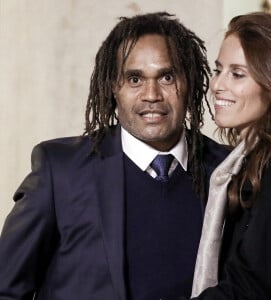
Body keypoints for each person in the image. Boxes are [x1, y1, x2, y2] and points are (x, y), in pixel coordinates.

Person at [0, 12, 228, 300]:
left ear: (191, 82)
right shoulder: (60, 172)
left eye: (167, 77)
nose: (151, 94)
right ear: (113, 87)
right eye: (134, 79)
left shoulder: (226, 169)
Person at [168, 11, 271, 300]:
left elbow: (249, 285)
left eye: (237, 74)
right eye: (218, 70)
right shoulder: (246, 160)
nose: (217, 85)